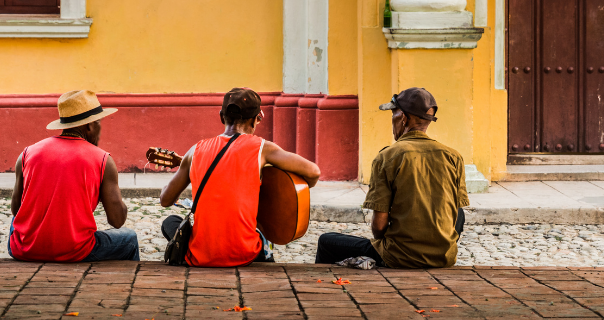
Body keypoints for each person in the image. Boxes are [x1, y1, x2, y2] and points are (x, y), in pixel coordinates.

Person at [159, 87, 320, 267]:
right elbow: (313, 172)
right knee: (262, 229)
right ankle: (266, 258)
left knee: (171, 222)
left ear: (221, 116)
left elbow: (165, 200)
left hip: (200, 257)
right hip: (245, 254)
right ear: (258, 118)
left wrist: (185, 168)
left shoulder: (195, 150)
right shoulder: (262, 148)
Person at [314, 87, 469, 269]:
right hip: (444, 257)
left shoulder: (388, 157)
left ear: (403, 118)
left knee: (327, 241)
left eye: (393, 114)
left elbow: (379, 227)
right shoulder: (453, 156)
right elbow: (457, 213)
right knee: (459, 212)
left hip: (399, 256)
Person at [8, 90, 139, 262]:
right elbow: (117, 220)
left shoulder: (27, 153)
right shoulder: (103, 160)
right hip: (74, 250)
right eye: (99, 123)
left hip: (24, 249)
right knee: (129, 238)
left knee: (14, 224)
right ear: (90, 125)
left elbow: (16, 210)